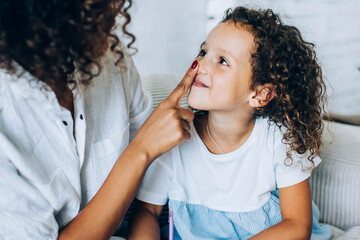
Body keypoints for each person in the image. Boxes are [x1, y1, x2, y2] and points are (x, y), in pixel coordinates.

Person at [128, 6, 332, 240]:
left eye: (222, 60)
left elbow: (297, 226)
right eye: (204, 52)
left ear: (260, 94)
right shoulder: (173, 137)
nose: (201, 64)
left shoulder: (280, 140)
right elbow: (147, 211)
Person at [0, 0, 199, 239]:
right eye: (94, 7)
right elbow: (147, 145)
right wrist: (140, 151)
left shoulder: (109, 56)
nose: (115, 8)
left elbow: (152, 191)